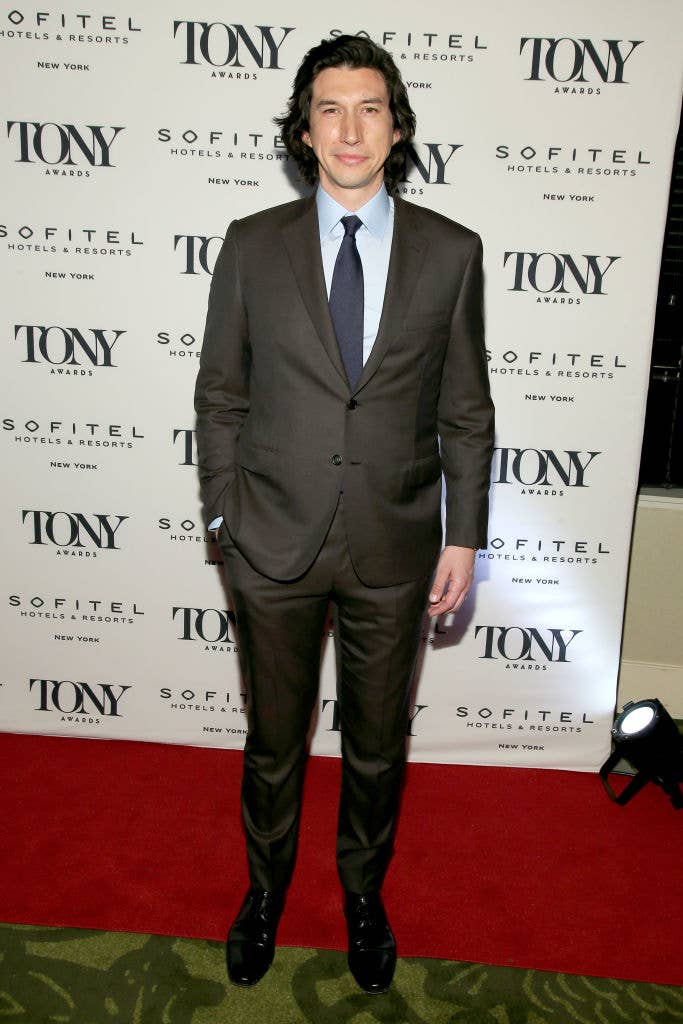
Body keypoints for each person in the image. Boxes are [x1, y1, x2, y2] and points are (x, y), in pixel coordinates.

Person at [194, 33, 494, 994]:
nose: (350, 126)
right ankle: (264, 894)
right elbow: (220, 396)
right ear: (304, 128)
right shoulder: (251, 244)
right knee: (273, 742)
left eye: (369, 106)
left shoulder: (451, 252)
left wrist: (462, 534)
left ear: (396, 126)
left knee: (375, 745)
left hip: (395, 545)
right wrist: (221, 520)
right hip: (269, 540)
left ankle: (362, 896)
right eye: (330, 107)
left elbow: (464, 408)